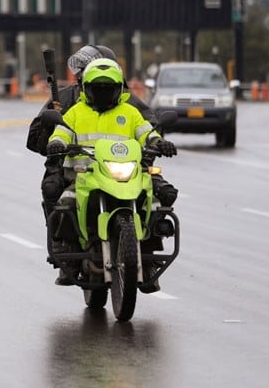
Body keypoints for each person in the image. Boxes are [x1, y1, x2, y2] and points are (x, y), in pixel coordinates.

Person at [45, 58, 178, 289]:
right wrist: (56, 143)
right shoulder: (75, 112)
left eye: (108, 88)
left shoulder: (130, 112)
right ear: (86, 89)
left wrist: (160, 143)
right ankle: (69, 257)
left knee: (155, 203)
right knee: (65, 203)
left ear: (118, 89)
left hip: (127, 174)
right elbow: (61, 133)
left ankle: (149, 259)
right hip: (83, 176)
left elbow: (147, 133)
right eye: (97, 88)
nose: (103, 93)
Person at [27, 44, 178, 220]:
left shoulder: (128, 104)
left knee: (162, 193)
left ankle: (152, 228)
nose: (102, 90)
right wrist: (51, 132)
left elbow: (150, 131)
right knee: (52, 189)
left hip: (124, 169)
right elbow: (36, 142)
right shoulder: (65, 98)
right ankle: (60, 230)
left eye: (108, 86)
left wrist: (157, 145)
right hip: (75, 169)